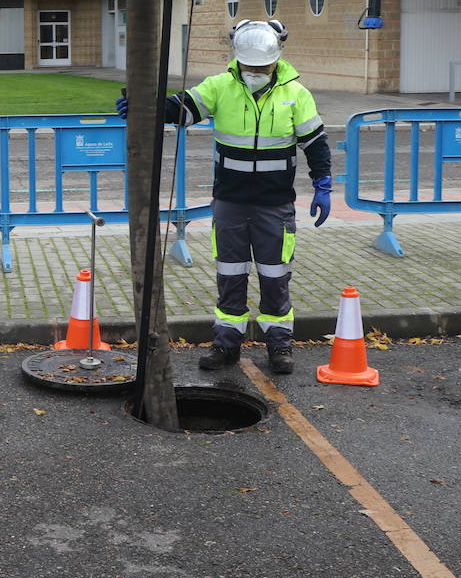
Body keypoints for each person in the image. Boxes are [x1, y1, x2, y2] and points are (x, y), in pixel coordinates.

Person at [116, 19, 332, 374]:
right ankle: (226, 344)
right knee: (230, 275)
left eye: (263, 67)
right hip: (231, 202)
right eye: (250, 66)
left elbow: (316, 143)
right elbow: (181, 108)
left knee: (276, 276)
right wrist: (142, 105)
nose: (256, 72)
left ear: (277, 59)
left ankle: (279, 346)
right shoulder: (221, 87)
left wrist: (323, 184)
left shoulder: (296, 94)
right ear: (238, 60)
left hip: (275, 204)